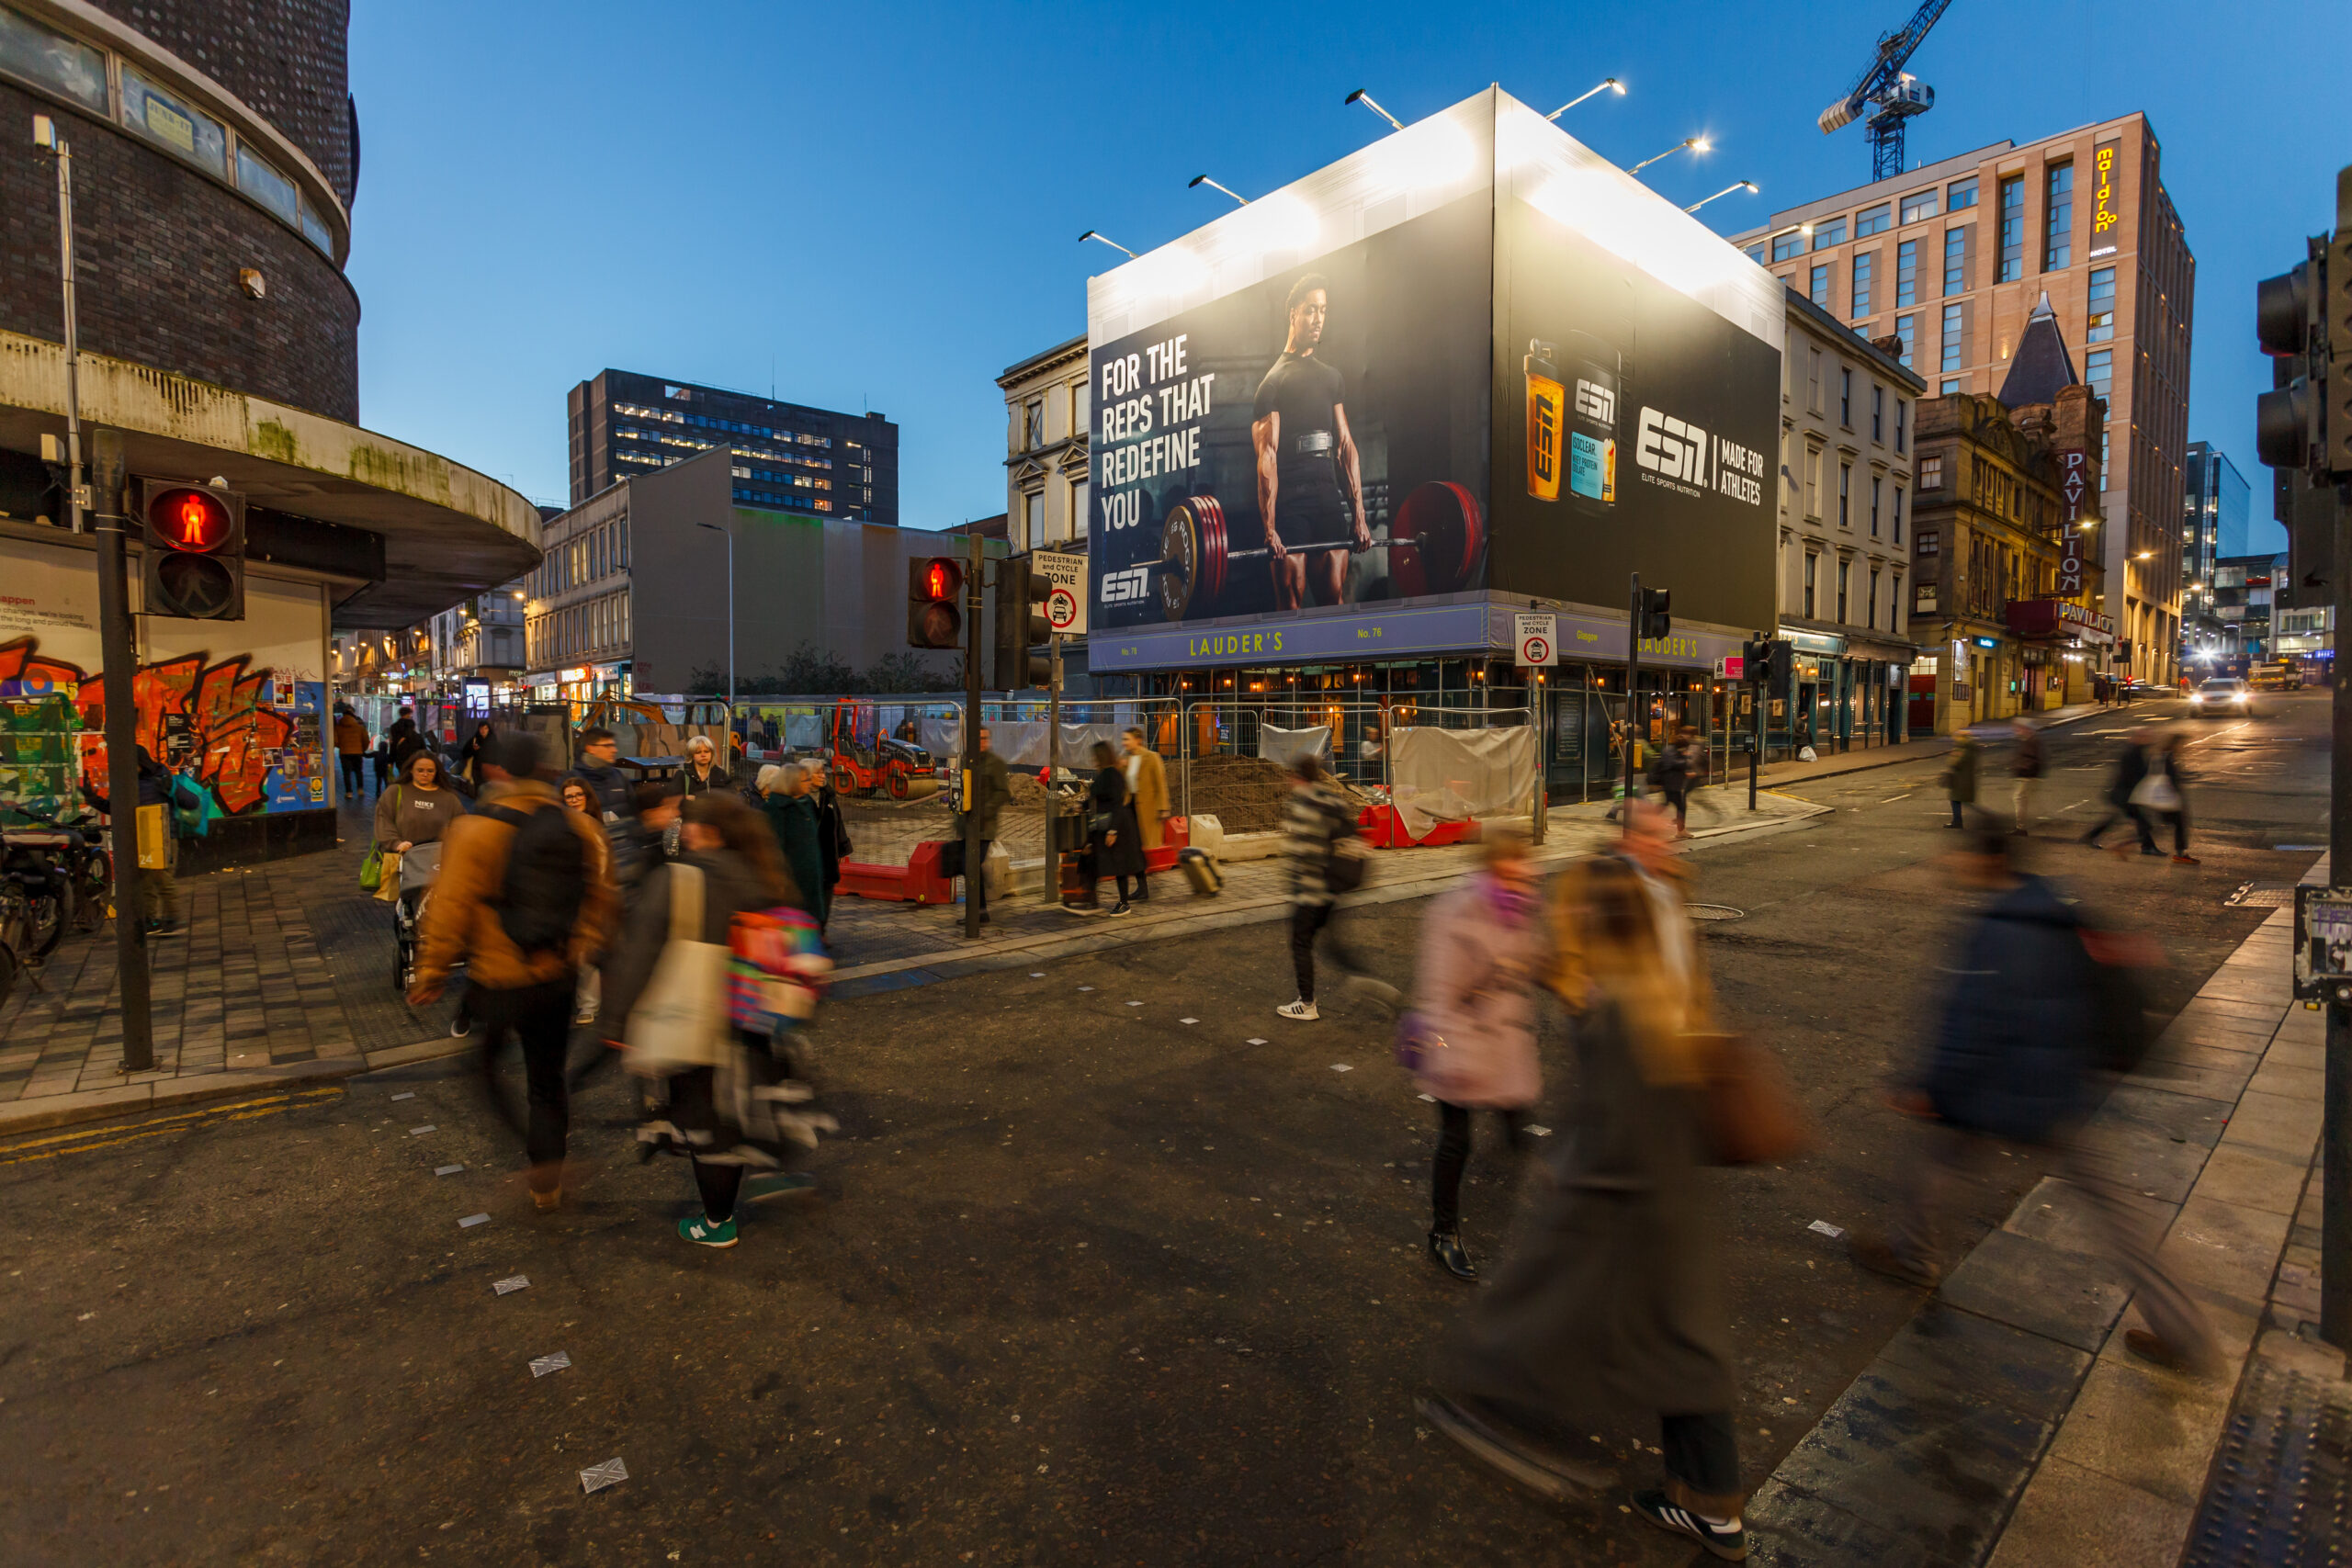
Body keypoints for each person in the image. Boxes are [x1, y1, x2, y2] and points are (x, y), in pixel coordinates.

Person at [1426, 832, 1747, 1558]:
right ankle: (1711, 1506)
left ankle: (1516, 1425)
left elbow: (1615, 1132)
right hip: (1675, 1215)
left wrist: (1564, 1177)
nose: (1561, 922)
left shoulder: (1625, 1017)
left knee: (1569, 1328)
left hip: (1637, 1218)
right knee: (1689, 1359)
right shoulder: (1658, 996)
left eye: (1573, 915)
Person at [1850, 829, 2216, 1373]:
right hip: (2063, 1081)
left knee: (1937, 1164)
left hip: (2013, 1085)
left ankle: (1914, 1257)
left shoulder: (2002, 929)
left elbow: (1973, 1020)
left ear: (1990, 859)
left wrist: (1932, 1086)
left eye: (1964, 850)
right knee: (2113, 1211)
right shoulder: (2052, 903)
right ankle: (2184, 1334)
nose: (1953, 859)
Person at [602, 792, 832, 1248]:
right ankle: (769, 1168)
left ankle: (717, 1221)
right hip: (753, 1011)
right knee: (748, 1103)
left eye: (685, 824)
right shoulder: (762, 871)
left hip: (696, 1012)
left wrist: (615, 1022)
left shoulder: (678, 878)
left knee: (705, 1120)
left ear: (699, 831)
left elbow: (639, 952)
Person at [411, 733, 615, 1213]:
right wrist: (581, 948)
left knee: (482, 1067)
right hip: (556, 975)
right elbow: (603, 899)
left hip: (497, 978)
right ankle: (548, 1177)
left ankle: (527, 1147)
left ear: (498, 773)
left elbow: (451, 905)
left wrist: (432, 971)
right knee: (547, 1079)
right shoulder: (577, 828)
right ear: (544, 774)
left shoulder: (472, 829)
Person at [1413, 824, 1548, 1282]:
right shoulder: (1457, 913)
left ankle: (1519, 1213)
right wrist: (1448, 1054)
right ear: (1492, 871)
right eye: (1511, 874)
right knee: (1456, 1140)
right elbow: (1437, 993)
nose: (1522, 879)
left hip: (1504, 1042)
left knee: (1516, 1127)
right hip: (1457, 1042)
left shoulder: (1522, 908)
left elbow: (1536, 964)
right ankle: (1443, 1233)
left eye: (1523, 870)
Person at [1251, 272, 1371, 611]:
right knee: (1289, 607)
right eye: (1310, 310)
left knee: (1334, 603)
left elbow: (1346, 447)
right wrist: (1270, 527)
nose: (1318, 319)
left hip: (1327, 498)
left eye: (1323, 310)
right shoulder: (1273, 383)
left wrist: (1359, 516)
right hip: (1292, 505)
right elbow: (1267, 458)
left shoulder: (1331, 377)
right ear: (1293, 314)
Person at [1276, 753, 1374, 1020]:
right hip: (1334, 886)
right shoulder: (1332, 799)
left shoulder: (1301, 804)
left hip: (1310, 890)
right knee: (1332, 942)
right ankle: (1365, 979)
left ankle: (1306, 1003)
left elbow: (1301, 851)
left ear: (1296, 777)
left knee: (1300, 942)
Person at [1074, 739, 1145, 917]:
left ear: (1101, 756)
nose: (1093, 758)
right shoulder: (1104, 773)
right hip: (1102, 825)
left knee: (1118, 864)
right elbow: (1096, 798)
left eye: (1095, 755)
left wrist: (1113, 831)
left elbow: (1117, 804)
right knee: (1092, 860)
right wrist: (1081, 806)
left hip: (1114, 825)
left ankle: (1123, 903)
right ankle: (1091, 900)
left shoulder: (1112, 774)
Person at [571, 728, 647, 887]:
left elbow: (634, 817)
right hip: (592, 871)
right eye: (607, 745)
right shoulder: (573, 783)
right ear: (590, 749)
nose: (614, 750)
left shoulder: (619, 778)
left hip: (624, 867)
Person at [759, 762, 827, 924]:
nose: (809, 783)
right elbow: (774, 847)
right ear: (792, 782)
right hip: (791, 881)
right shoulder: (776, 808)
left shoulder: (807, 803)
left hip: (810, 878)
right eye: (805, 780)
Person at [373, 750, 469, 862]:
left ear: (436, 772)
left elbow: (462, 826)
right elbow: (384, 822)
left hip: (436, 863)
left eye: (430, 771)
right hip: (401, 860)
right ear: (411, 770)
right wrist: (396, 844)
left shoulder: (449, 798)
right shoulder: (394, 792)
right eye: (420, 770)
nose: (425, 774)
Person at [960, 727, 1013, 924]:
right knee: (969, 867)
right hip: (968, 825)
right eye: (978, 738)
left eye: (984, 738)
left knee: (971, 866)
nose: (982, 742)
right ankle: (979, 911)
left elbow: (1003, 792)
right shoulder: (969, 760)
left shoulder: (995, 763)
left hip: (984, 827)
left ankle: (978, 912)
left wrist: (986, 811)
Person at [2080, 730, 2159, 856]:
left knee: (2117, 819)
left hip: (2124, 794)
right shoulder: (2132, 753)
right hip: (2125, 794)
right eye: (2145, 737)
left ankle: (2090, 836)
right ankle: (2147, 847)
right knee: (2142, 821)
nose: (2148, 740)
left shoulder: (2135, 751)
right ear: (2137, 738)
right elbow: (2132, 775)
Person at [1122, 726, 1170, 899]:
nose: (1124, 742)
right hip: (1130, 807)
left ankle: (1144, 886)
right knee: (1134, 849)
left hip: (1146, 810)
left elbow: (1160, 783)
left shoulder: (1151, 757)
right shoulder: (1126, 759)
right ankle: (1143, 887)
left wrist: (1163, 807)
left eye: (1127, 739)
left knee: (1138, 848)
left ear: (1138, 740)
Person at [2153, 731, 2198, 866]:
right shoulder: (2165, 757)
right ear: (2175, 744)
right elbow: (2167, 778)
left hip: (2167, 798)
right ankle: (2123, 844)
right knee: (2173, 825)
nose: (2183, 747)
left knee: (2177, 825)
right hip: (2167, 799)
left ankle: (2180, 854)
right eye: (2181, 745)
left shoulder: (2167, 756)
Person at [1649, 725, 1699, 839]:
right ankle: (1680, 831)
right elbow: (1671, 764)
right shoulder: (1671, 751)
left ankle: (1679, 830)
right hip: (1671, 784)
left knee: (1666, 804)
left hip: (1672, 783)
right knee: (1680, 807)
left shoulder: (1672, 750)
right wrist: (1685, 759)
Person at [2009, 716, 2043, 837]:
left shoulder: (2031, 741)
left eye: (2018, 728)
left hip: (2026, 776)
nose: (2016, 731)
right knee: (2021, 800)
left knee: (2019, 799)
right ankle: (2020, 825)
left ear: (2025, 729)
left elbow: (2032, 759)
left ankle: (2021, 827)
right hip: (2025, 776)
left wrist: (2021, 768)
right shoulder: (2027, 740)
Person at [1941, 729, 1978, 829]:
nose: (1955, 739)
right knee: (1960, 800)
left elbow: (1954, 763)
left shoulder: (1962, 750)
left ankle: (1957, 822)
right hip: (1965, 779)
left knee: (1956, 800)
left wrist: (1953, 755)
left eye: (1957, 737)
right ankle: (1957, 821)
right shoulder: (1970, 748)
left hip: (1960, 780)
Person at [679, 734, 733, 798]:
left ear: (711, 754)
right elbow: (672, 798)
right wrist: (684, 798)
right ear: (691, 755)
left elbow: (732, 796)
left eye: (706, 751)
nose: (703, 755)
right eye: (698, 752)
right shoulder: (682, 774)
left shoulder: (720, 774)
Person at [334, 705, 370, 799]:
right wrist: (362, 749)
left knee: (346, 773)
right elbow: (366, 740)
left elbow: (335, 741)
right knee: (358, 771)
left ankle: (349, 792)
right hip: (358, 752)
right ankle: (360, 790)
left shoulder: (338, 728)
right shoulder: (360, 727)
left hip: (345, 753)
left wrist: (342, 746)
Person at [454, 720, 495, 791]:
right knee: (478, 788)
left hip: (489, 769)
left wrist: (480, 750)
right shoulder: (474, 740)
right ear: (478, 729)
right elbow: (464, 752)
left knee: (488, 790)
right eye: (481, 729)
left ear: (489, 729)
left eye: (485, 728)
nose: (483, 731)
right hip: (477, 769)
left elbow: (495, 754)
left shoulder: (493, 740)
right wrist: (473, 750)